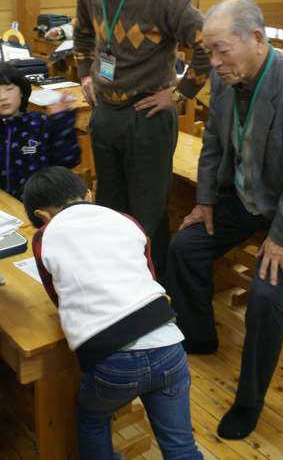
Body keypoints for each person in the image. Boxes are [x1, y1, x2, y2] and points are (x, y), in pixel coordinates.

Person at [167, 0, 283, 440]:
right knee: (183, 247)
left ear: (257, 39)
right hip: (244, 198)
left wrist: (281, 239)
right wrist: (205, 201)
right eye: (209, 51)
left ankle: (249, 401)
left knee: (264, 296)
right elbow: (213, 146)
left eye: (222, 50)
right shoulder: (226, 78)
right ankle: (200, 337)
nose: (214, 62)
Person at [63, 0, 209, 284]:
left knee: (147, 211)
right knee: (110, 206)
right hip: (105, 113)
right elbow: (82, 34)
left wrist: (179, 93)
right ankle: (117, 283)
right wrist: (85, 73)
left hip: (148, 116)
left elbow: (207, 45)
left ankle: (153, 288)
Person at [23, 166, 203, 460]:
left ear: (42, 216)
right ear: (89, 196)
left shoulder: (45, 236)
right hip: (168, 344)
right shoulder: (125, 220)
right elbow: (149, 273)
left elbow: (55, 294)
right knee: (181, 447)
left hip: (111, 359)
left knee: (92, 418)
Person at [0, 62, 80, 200]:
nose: (3, 97)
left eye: (9, 89)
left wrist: (60, 122)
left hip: (41, 202)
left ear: (21, 91)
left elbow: (68, 161)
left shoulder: (40, 123)